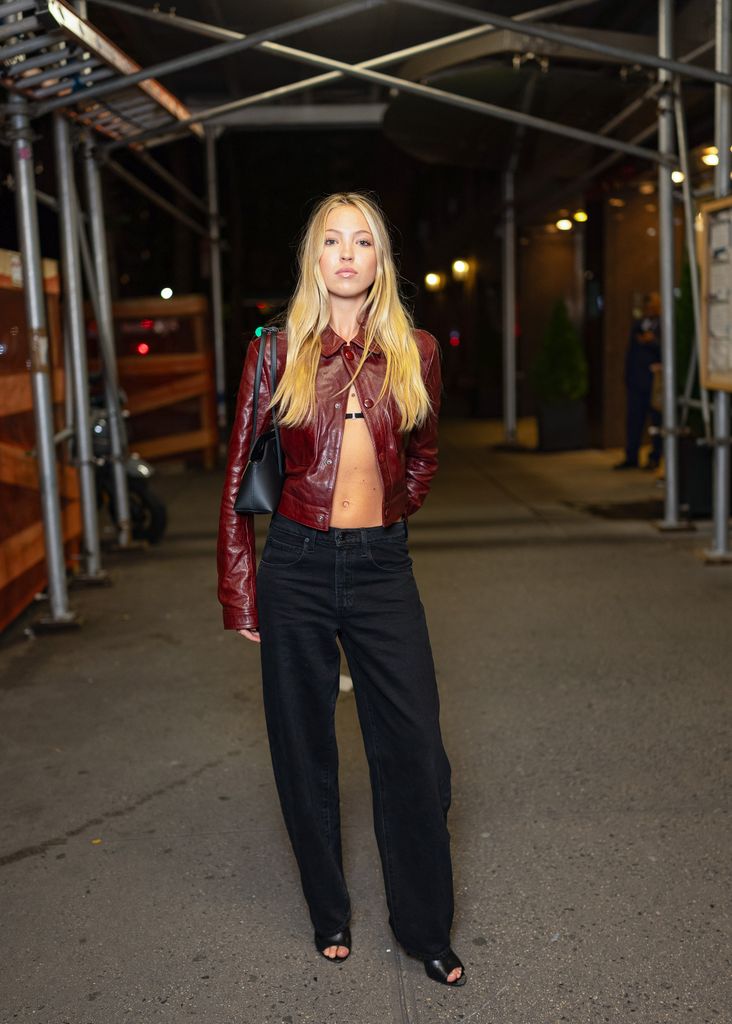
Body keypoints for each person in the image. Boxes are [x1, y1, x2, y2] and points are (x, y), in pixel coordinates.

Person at [217, 192, 466, 987]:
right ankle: (330, 912)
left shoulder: (416, 348)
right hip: (295, 561)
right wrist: (242, 591)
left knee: (418, 752)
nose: (349, 254)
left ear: (381, 260)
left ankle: (426, 927)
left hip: (384, 566)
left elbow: (424, 452)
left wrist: (393, 509)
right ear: (314, 259)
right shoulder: (275, 348)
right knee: (304, 750)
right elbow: (236, 478)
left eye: (364, 241)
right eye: (333, 241)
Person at [614, 291, 663, 471]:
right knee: (634, 421)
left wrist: (652, 342)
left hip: (654, 382)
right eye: (647, 306)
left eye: (653, 306)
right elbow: (631, 352)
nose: (649, 309)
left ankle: (655, 457)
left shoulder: (664, 325)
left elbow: (667, 350)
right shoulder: (638, 325)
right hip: (636, 381)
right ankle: (631, 456)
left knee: (657, 422)